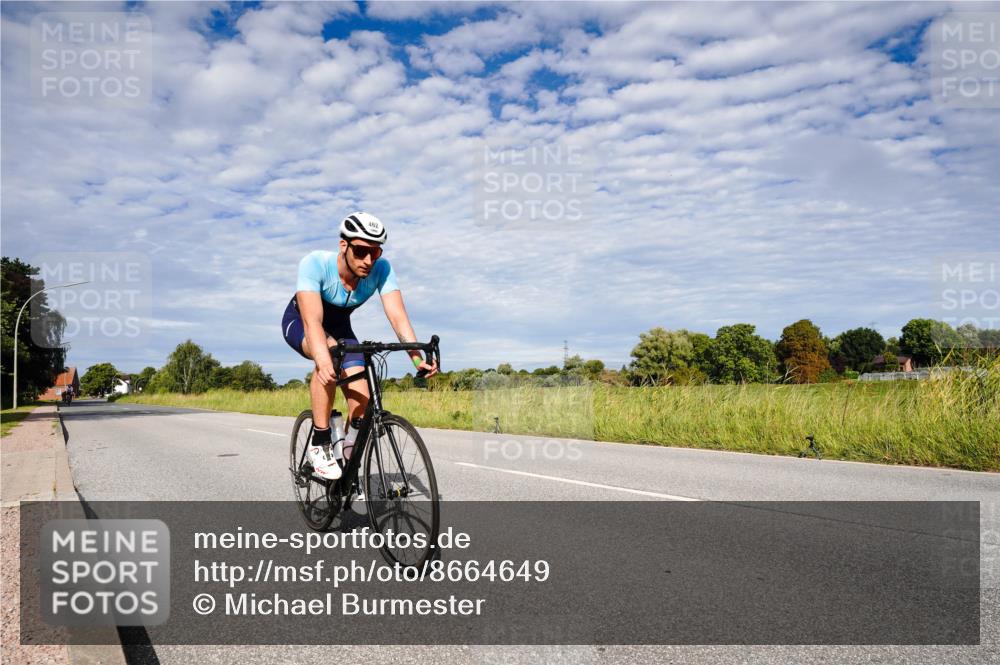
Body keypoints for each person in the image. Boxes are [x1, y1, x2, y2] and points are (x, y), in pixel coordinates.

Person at [282, 212, 437, 480]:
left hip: (342, 329)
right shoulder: (315, 264)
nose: (368, 260)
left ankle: (349, 447)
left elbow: (397, 315)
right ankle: (320, 442)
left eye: (374, 252)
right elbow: (313, 320)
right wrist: (323, 358)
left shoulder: (381, 269)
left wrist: (416, 357)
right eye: (362, 251)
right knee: (328, 355)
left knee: (363, 399)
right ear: (344, 245)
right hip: (302, 322)